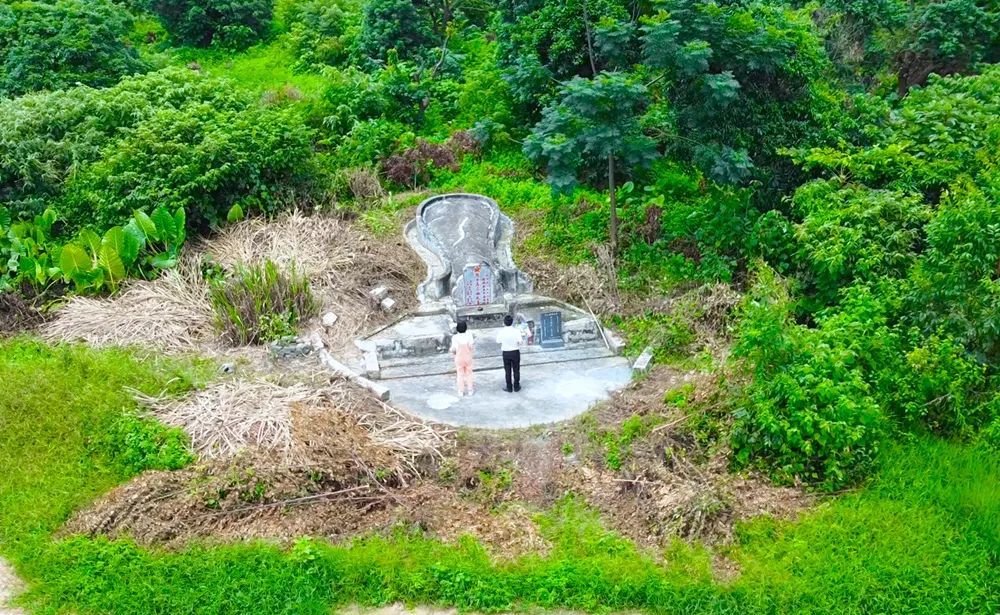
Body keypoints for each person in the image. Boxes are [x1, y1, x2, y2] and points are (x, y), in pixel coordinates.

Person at [495, 314, 524, 392]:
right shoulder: (516, 331)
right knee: (516, 370)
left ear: (504, 323)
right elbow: (520, 342)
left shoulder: (501, 332)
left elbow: (498, 341)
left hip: (506, 353)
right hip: (515, 352)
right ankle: (517, 386)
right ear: (512, 322)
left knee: (507, 371)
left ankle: (509, 387)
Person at [450, 320, 475, 397]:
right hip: (468, 358)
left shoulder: (455, 337)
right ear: (466, 328)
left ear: (457, 329)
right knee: (469, 373)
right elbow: (471, 347)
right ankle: (470, 390)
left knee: (460, 374)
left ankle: (461, 391)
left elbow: (453, 349)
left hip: (459, 358)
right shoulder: (469, 336)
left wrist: (452, 352)